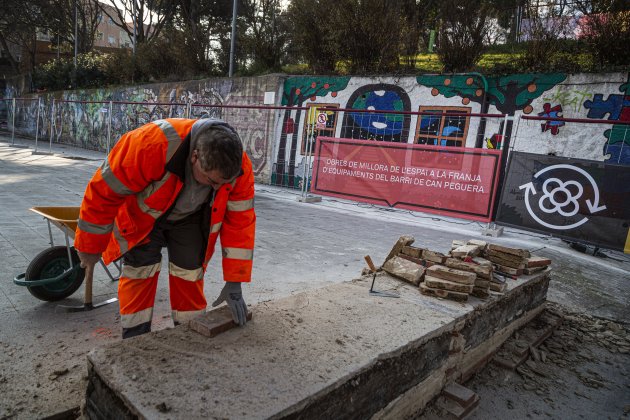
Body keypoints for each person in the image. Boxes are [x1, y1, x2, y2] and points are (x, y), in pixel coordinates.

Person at [74, 118, 255, 339]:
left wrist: (235, 281)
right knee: (139, 271)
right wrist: (90, 246)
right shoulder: (150, 144)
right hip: (144, 218)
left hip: (190, 218)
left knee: (189, 272)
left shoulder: (238, 168)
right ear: (195, 157)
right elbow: (103, 193)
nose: (218, 188)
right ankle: (135, 338)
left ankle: (190, 334)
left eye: (222, 184)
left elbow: (240, 223)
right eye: (211, 180)